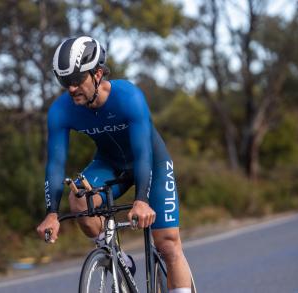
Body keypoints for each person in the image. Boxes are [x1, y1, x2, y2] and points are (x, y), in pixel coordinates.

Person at [37, 36, 192, 293]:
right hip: (110, 163)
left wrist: (141, 200)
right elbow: (55, 163)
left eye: (76, 80)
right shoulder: (61, 110)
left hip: (150, 161)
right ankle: (117, 258)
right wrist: (52, 213)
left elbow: (143, 153)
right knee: (78, 200)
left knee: (167, 244)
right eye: (64, 82)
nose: (71, 89)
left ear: (98, 74)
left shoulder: (128, 97)